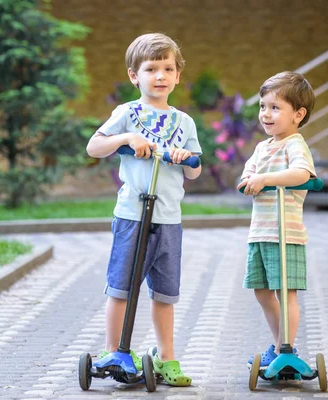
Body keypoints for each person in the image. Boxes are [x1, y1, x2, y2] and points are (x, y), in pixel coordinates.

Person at [86, 32, 202, 386]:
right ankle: (115, 350)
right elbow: (94, 147)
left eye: (168, 68)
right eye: (152, 68)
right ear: (135, 75)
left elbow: (195, 170)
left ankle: (166, 358)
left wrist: (184, 158)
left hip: (169, 219)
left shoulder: (184, 123)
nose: (161, 76)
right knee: (122, 286)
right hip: (133, 216)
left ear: (178, 76)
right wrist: (126, 139)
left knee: (165, 293)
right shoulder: (127, 114)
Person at [237, 71, 317, 369]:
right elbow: (247, 176)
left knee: (286, 292)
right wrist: (249, 181)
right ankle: (279, 345)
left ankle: (287, 350)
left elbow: (303, 174)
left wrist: (266, 178)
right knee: (262, 290)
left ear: (298, 114)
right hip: (260, 232)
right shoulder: (262, 147)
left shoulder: (294, 144)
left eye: (275, 108)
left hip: (286, 233)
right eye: (262, 106)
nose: (266, 114)